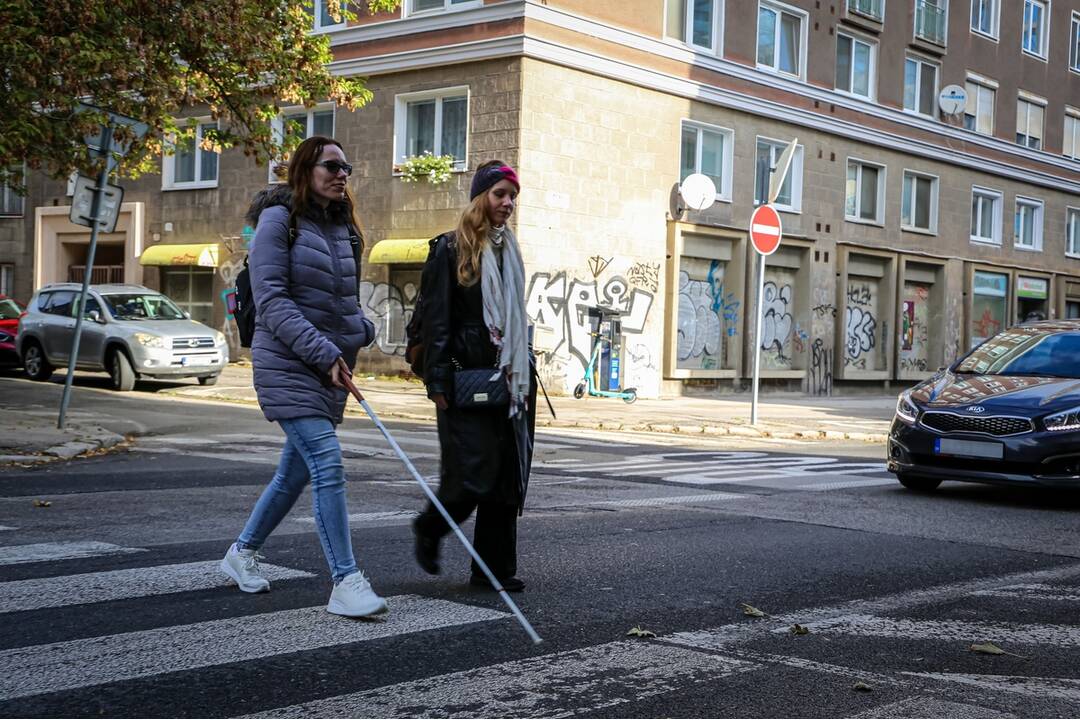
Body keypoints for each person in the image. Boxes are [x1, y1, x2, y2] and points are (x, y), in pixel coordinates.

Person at [219, 136, 388, 618]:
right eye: (331, 166)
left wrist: (363, 330)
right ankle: (345, 580)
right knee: (327, 463)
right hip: (288, 363)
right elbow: (272, 301)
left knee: (294, 472)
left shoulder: (343, 228)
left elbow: (343, 302)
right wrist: (324, 351)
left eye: (346, 167)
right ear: (304, 170)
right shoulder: (279, 220)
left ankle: (242, 551)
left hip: (328, 366)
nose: (342, 174)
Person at [412, 160, 537, 592]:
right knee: (470, 476)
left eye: (513, 197)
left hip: (508, 378)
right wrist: (437, 380)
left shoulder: (509, 250)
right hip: (464, 377)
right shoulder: (450, 249)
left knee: (504, 478)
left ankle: (493, 570)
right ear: (481, 196)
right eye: (500, 194)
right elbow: (435, 321)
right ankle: (429, 527)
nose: (508, 203)